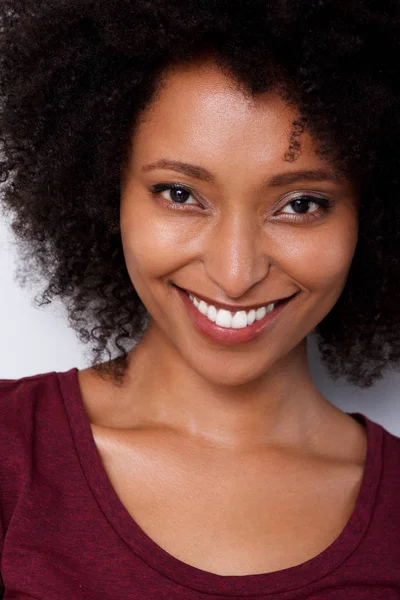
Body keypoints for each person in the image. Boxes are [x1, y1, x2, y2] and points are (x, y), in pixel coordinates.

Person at [0, 0, 399, 597]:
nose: (235, 273)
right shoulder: (12, 451)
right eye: (180, 193)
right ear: (105, 191)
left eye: (301, 204)